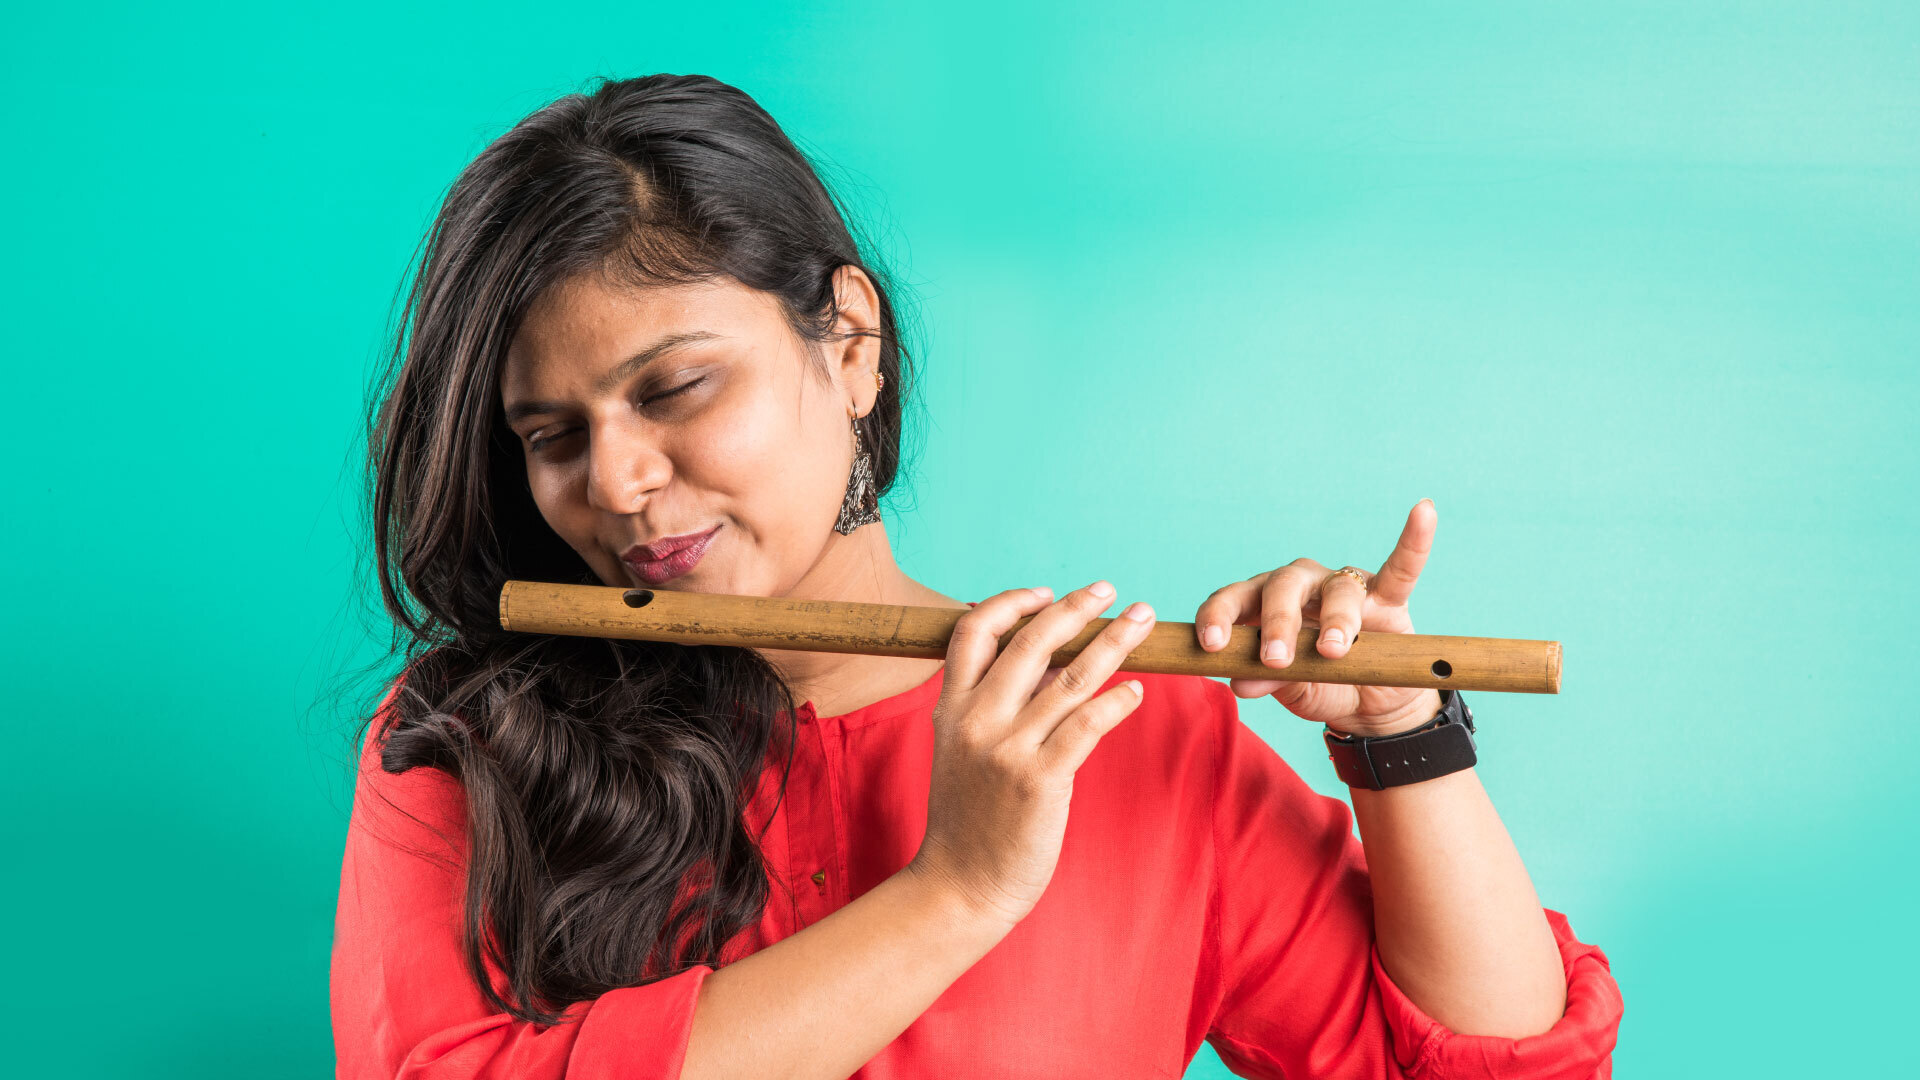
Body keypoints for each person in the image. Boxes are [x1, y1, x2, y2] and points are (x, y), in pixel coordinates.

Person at [330, 73, 1623, 1079]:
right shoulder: (468, 745)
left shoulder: (1123, 732)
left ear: (848, 343)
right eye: (552, 436)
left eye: (675, 387)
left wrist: (1405, 738)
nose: (613, 484)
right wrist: (960, 890)